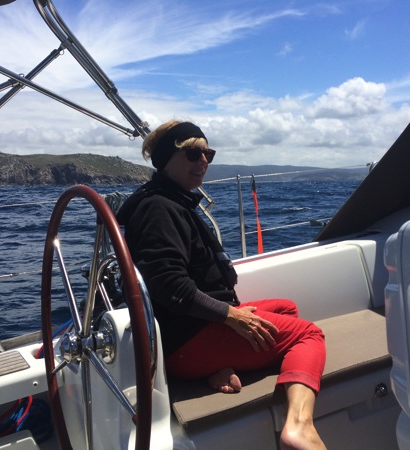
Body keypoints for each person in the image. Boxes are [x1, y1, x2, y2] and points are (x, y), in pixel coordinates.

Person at [117, 120, 327, 450]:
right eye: (193, 153)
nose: (203, 160)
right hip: (187, 340)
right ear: (166, 158)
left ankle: (216, 368)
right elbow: (170, 287)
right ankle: (300, 426)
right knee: (309, 334)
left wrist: (231, 313)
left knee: (287, 309)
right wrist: (231, 316)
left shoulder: (170, 200)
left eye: (208, 154)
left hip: (189, 330)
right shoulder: (159, 209)